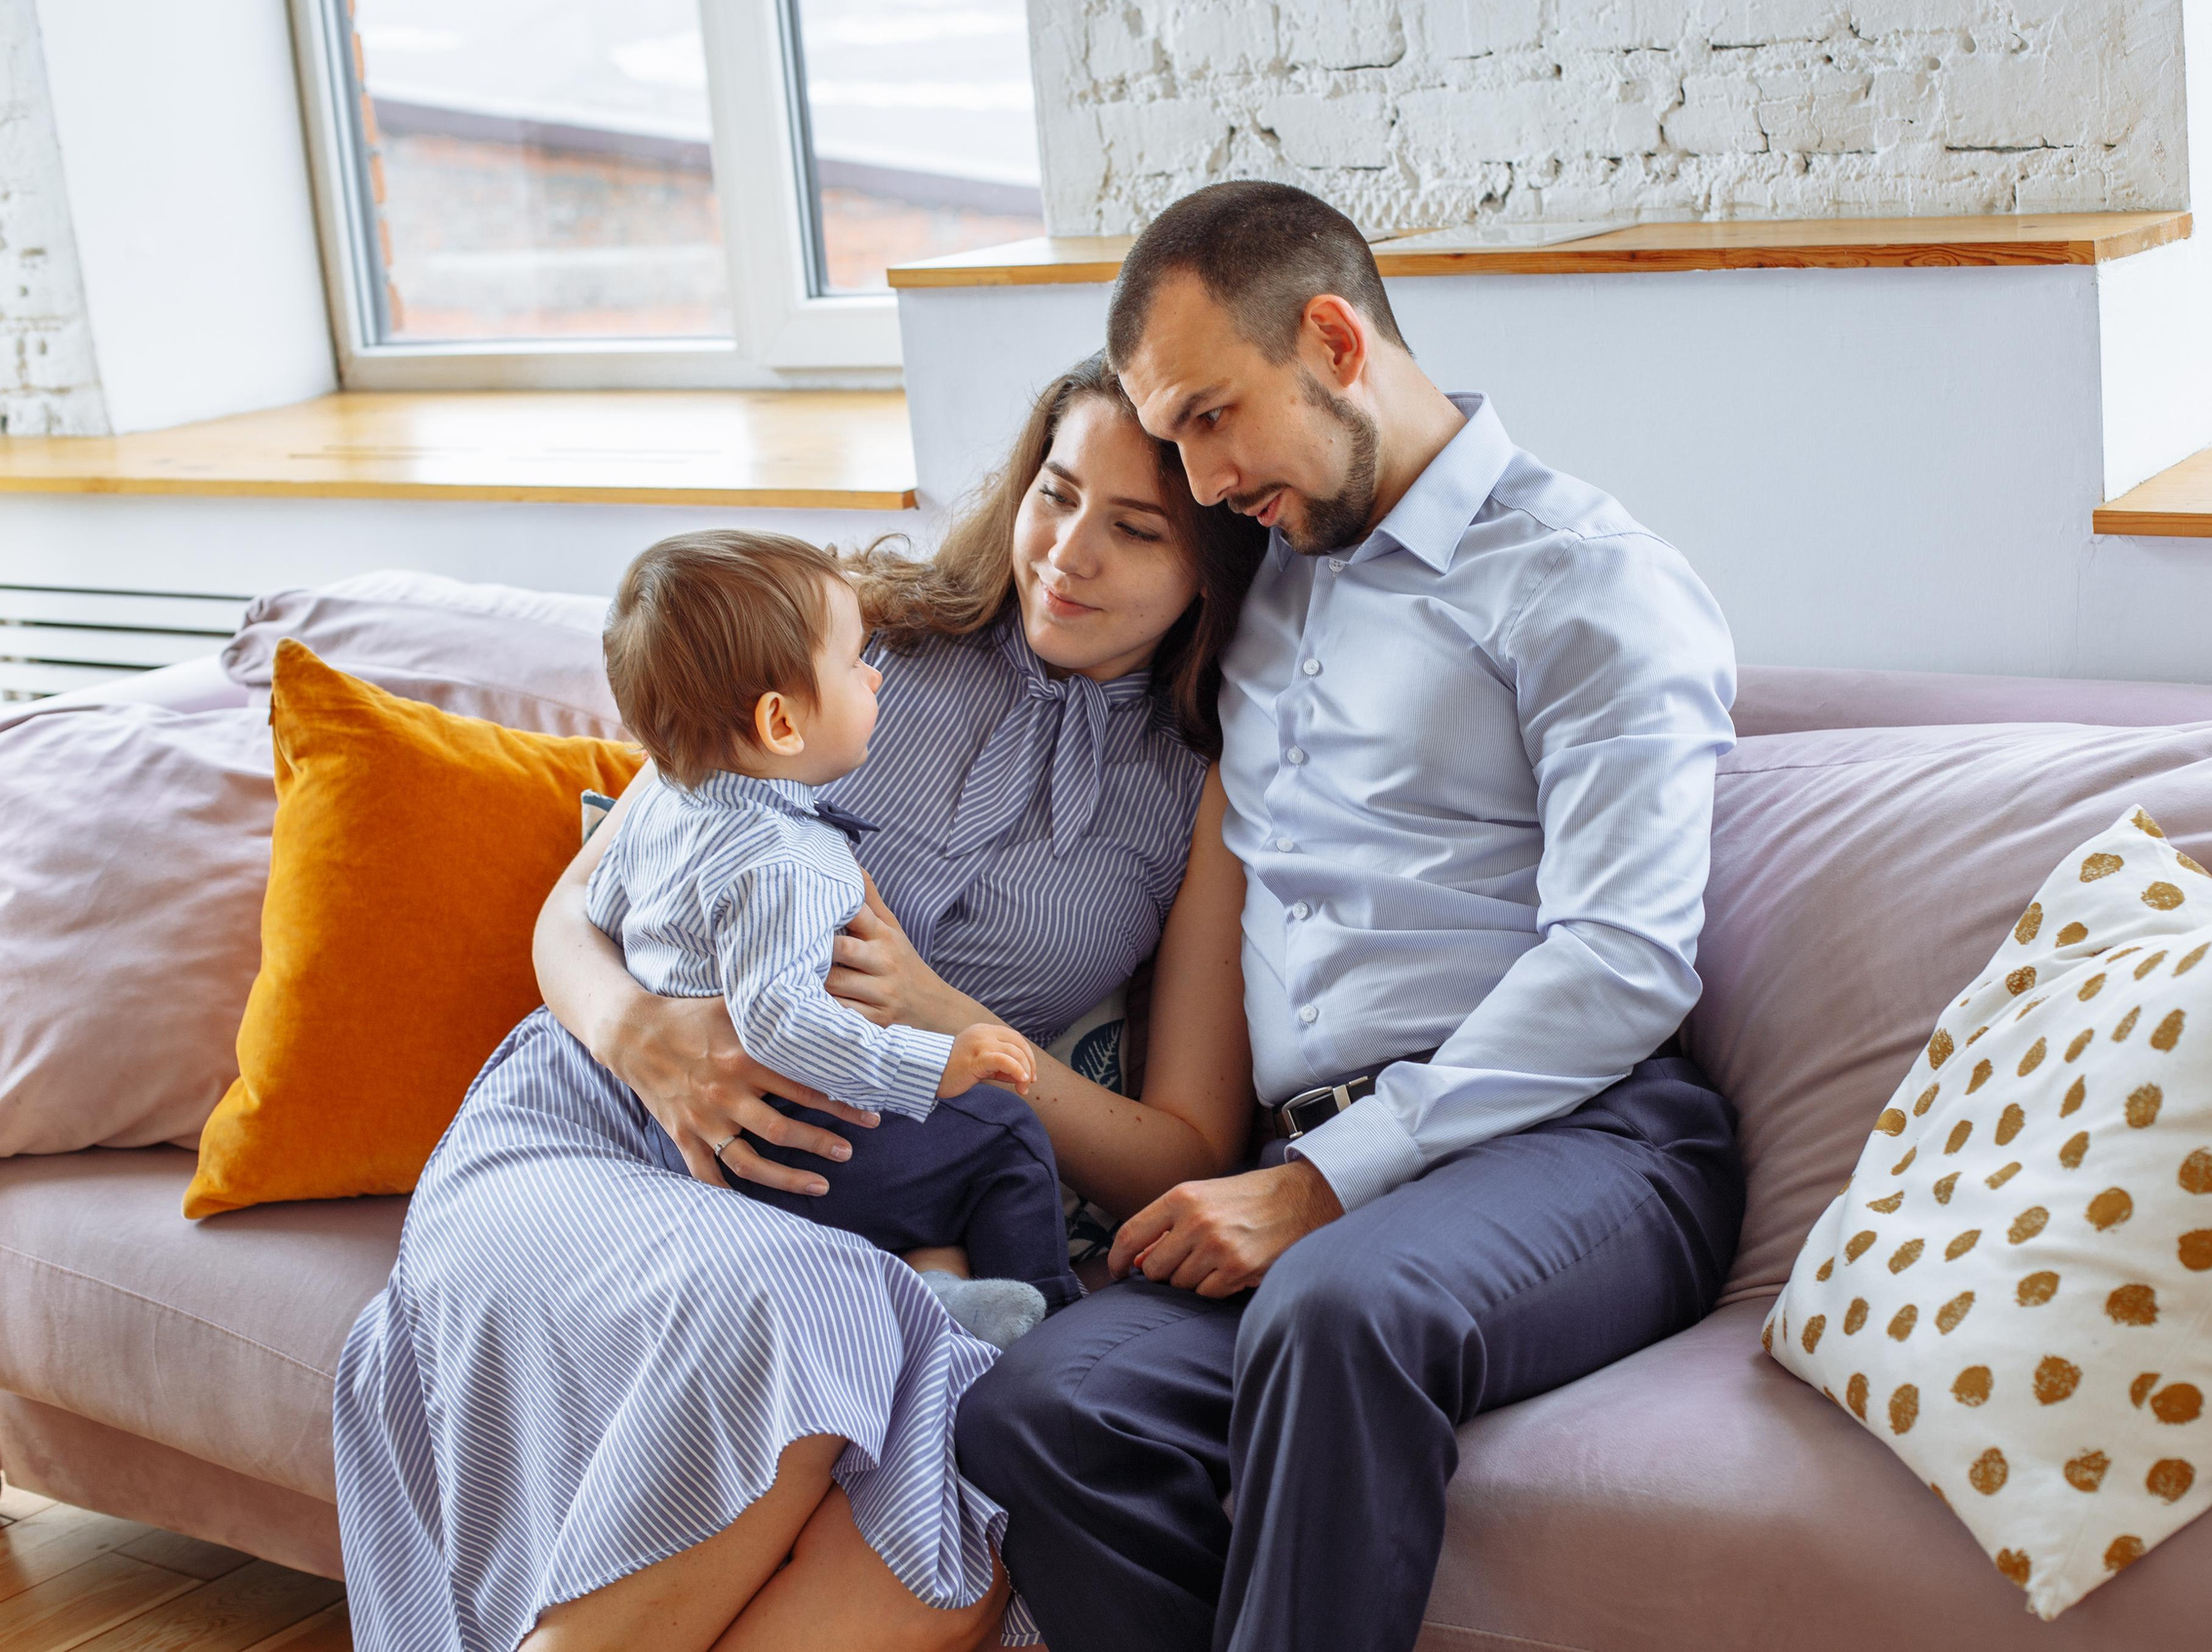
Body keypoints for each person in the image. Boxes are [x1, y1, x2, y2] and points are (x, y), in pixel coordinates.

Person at [331, 353, 1264, 1652]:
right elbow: (577, 905)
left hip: (870, 1188)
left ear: (1212, 569)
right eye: (1055, 493)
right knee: (816, 1315)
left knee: (954, 1506)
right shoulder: (849, 632)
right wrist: (638, 1035)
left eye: (1136, 527)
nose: (1068, 551)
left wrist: (948, 1022)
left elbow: (1190, 1148)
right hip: (597, 1117)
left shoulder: (1202, 787)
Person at [957, 179, 1750, 1652]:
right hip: (1311, 1168)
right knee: (1038, 1405)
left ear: (1332, 337)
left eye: (1209, 417)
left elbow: (1625, 958)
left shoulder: (1586, 581)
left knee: (1335, 1310)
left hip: (1584, 1138)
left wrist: (1326, 1179)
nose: (1196, 481)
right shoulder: (1263, 573)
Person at [586, 529, 1065, 1341]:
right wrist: (935, 1065)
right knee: (1004, 1136)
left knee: (924, 1165)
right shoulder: (786, 861)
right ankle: (1055, 1333)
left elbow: (602, 908)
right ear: (779, 722)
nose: (875, 675)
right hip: (785, 1141)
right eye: (853, 665)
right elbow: (782, 1021)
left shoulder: (664, 804)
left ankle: (917, 1298)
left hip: (674, 1132)